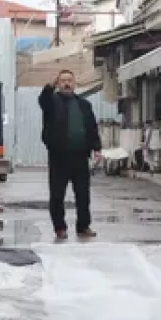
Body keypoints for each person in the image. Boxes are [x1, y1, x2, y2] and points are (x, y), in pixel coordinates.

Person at [38, 68, 102, 240]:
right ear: (58, 84)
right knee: (57, 195)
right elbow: (42, 100)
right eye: (63, 80)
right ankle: (60, 228)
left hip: (80, 157)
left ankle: (83, 226)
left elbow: (92, 127)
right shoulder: (52, 102)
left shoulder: (84, 105)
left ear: (75, 84)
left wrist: (96, 147)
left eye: (69, 80)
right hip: (59, 157)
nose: (67, 83)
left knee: (83, 194)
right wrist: (49, 87)